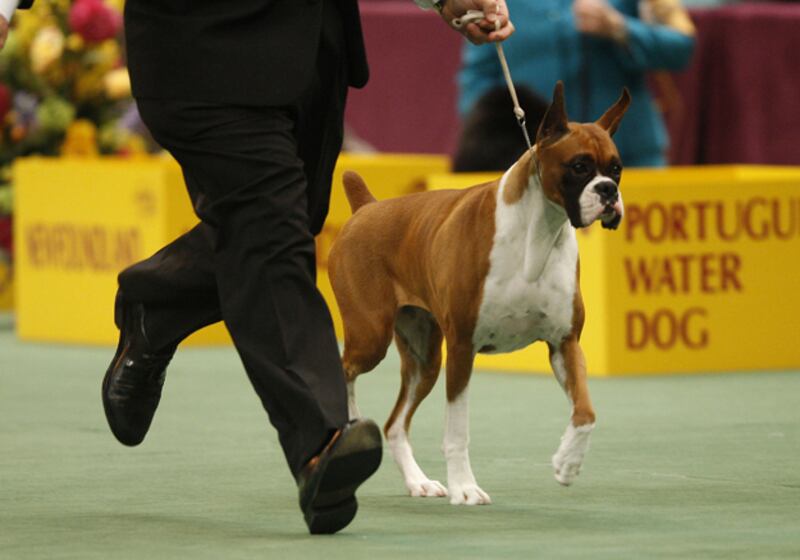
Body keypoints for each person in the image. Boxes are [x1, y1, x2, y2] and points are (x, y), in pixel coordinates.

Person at [0, 0, 513, 535]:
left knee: (292, 218)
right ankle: (321, 441)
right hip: (199, 46)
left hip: (311, 48)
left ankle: (157, 304)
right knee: (270, 232)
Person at [458, 0, 695, 167]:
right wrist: (499, 144)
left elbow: (681, 48)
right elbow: (477, 80)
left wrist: (620, 28)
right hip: (537, 166)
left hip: (626, 158)